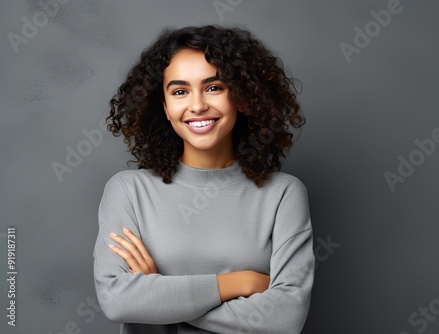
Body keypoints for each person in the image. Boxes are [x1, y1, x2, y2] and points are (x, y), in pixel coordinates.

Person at [93, 25, 315, 334]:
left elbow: (285, 319)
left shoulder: (283, 195)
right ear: (164, 105)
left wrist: (158, 296)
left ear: (241, 95)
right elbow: (117, 301)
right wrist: (238, 283)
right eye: (180, 91)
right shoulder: (128, 191)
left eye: (214, 87)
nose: (197, 105)